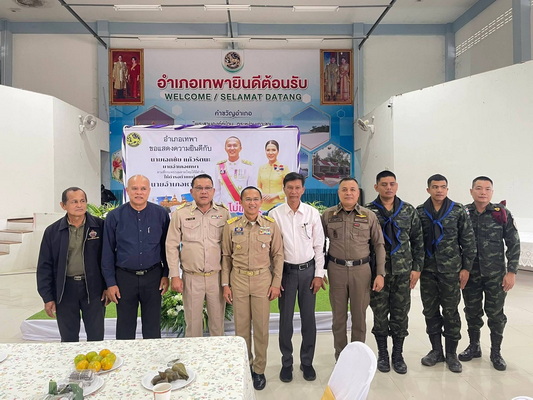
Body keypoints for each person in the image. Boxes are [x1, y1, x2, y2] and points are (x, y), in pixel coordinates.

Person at [221, 186, 284, 390]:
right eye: (247, 199)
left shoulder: (270, 225)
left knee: (261, 328)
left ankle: (259, 369)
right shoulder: (231, 226)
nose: (252, 203)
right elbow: (226, 257)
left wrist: (276, 283)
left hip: (262, 280)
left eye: (256, 199)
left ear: (260, 202)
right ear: (241, 202)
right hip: (238, 280)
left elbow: (278, 256)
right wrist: (225, 284)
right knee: (241, 328)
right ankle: (245, 365)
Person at [459, 176, 520, 371]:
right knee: (472, 311)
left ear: (492, 192)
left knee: (495, 314)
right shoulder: (463, 213)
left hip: (495, 275)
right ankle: (474, 346)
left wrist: (511, 272)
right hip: (471, 274)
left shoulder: (501, 213)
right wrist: (461, 269)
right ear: (471, 191)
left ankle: (496, 352)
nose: (483, 192)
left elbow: (513, 242)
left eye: (487, 189)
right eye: (478, 188)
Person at [416, 174, 476, 373]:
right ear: (428, 190)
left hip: (451, 271)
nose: (439, 190)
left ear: (447, 189)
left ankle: (451, 354)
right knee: (430, 311)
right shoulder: (420, 212)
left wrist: (466, 268)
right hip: (428, 271)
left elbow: (468, 241)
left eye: (443, 187)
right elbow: (416, 243)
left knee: (450, 312)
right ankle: (436, 351)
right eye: (435, 187)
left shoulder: (457, 211)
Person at [269, 172, 325, 383]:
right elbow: (272, 250)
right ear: (284, 189)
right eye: (290, 188)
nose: (293, 192)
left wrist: (319, 275)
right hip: (286, 273)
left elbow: (319, 246)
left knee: (308, 319)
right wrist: (275, 278)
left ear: (303, 190)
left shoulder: (312, 213)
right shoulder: (275, 215)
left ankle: (307, 362)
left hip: (308, 272)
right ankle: (287, 363)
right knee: (285, 320)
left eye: (297, 188)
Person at [366, 171, 424, 374]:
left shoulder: (408, 210)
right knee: (380, 314)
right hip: (378, 273)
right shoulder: (368, 211)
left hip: (403, 272)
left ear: (396, 186)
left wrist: (417, 268)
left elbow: (418, 241)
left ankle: (398, 355)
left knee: (400, 314)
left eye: (392, 184)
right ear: (376, 187)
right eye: (384, 184)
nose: (388, 188)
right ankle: (383, 354)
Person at [321, 177, 386, 360]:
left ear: (358, 193)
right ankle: (341, 357)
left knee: (359, 318)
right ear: (338, 193)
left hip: (361, 271)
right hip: (337, 270)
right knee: (338, 318)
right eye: (344, 189)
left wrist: (380, 273)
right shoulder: (328, 215)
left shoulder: (369, 216)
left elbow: (379, 245)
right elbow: (318, 244)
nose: (348, 193)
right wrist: (319, 271)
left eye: (352, 189)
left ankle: (357, 358)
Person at [102, 175, 170, 339]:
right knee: (125, 327)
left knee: (152, 327)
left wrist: (166, 274)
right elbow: (107, 251)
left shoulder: (161, 214)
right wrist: (110, 283)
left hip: (153, 277)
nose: (139, 192)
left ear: (149, 191)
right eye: (134, 188)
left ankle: (152, 356)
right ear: (127, 190)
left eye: (143, 189)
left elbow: (167, 248)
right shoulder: (114, 216)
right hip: (124, 278)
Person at [36, 187, 106, 342]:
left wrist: (108, 286)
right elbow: (44, 266)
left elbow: (108, 259)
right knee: (68, 339)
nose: (79, 205)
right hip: (65, 290)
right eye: (74, 202)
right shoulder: (52, 231)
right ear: (63, 205)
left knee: (96, 337)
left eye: (82, 201)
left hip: (94, 290)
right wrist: (47, 297)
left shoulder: (101, 227)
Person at [166, 174, 230, 337]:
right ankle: (194, 354)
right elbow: (171, 246)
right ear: (191, 191)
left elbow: (228, 249)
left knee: (217, 325)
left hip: (216, 277)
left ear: (213, 191)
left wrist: (227, 280)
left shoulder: (223, 213)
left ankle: (217, 354)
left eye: (207, 188)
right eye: (199, 188)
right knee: (193, 325)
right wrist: (175, 275)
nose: (204, 192)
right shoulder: (181, 214)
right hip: (192, 277)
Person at [214, 136, 256, 206]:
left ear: (240, 148)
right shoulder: (219, 167)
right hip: (225, 208)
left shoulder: (248, 167)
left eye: (235, 145)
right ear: (225, 148)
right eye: (229, 146)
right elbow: (217, 192)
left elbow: (251, 191)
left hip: (242, 208)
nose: (232, 148)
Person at [257, 140, 289, 211]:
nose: (270, 153)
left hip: (278, 205)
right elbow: (259, 187)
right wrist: (261, 194)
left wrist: (275, 195)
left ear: (278, 151)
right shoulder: (262, 168)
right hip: (263, 206)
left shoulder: (284, 168)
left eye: (273, 150)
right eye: (268, 150)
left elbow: (289, 188)